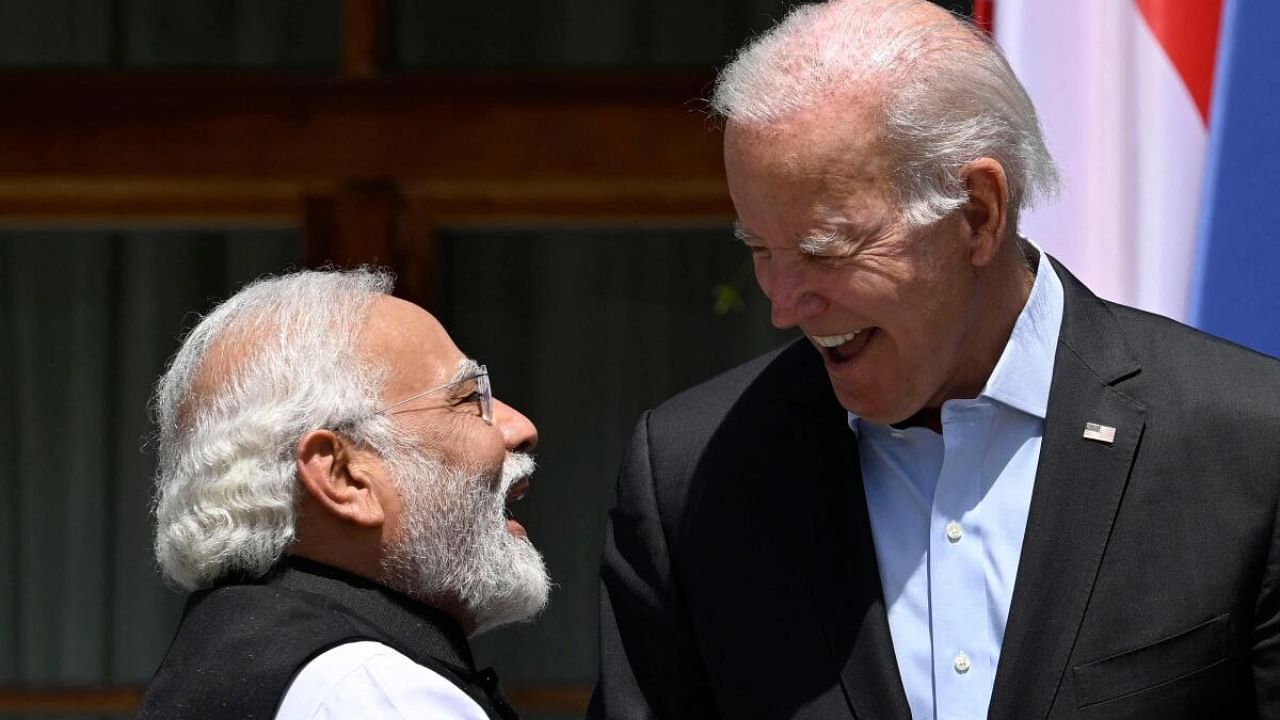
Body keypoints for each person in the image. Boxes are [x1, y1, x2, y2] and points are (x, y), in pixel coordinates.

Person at [587, 1, 1280, 719]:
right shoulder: (692, 474)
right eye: (761, 252)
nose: (784, 306)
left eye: (826, 250)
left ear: (977, 213)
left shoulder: (1248, 445)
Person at [137, 269, 547, 720]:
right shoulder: (375, 694)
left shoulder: (225, 661)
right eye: (468, 398)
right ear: (343, 476)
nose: (520, 428)